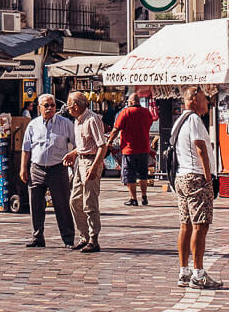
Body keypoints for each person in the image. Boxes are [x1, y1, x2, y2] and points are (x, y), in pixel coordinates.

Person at [172, 86, 222, 289]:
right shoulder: (193, 119)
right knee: (201, 226)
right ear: (193, 100)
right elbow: (201, 147)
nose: (208, 103)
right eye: (204, 99)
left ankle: (184, 272)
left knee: (186, 225)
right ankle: (198, 274)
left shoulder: (179, 121)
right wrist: (208, 177)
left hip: (182, 176)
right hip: (196, 177)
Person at [21, 93, 76, 248]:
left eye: (52, 105)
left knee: (62, 205)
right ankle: (37, 237)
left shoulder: (66, 124)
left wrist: (72, 159)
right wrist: (23, 168)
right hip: (36, 168)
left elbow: (76, 144)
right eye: (46, 105)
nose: (50, 108)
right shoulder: (33, 125)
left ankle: (68, 239)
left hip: (58, 169)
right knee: (36, 204)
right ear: (39, 108)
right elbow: (26, 148)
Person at [64, 91, 109, 253]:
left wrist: (95, 167)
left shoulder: (92, 119)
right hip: (80, 161)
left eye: (69, 106)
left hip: (91, 161)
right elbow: (85, 144)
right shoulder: (77, 121)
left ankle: (93, 239)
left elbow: (102, 146)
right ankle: (83, 236)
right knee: (74, 201)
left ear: (76, 106)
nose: (68, 109)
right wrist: (74, 153)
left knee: (89, 202)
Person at [107, 90, 155, 206]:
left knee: (130, 175)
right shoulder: (146, 112)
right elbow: (149, 123)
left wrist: (110, 141)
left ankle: (133, 199)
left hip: (129, 149)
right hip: (144, 148)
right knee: (143, 174)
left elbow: (116, 129)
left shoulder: (126, 112)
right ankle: (144, 197)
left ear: (131, 102)